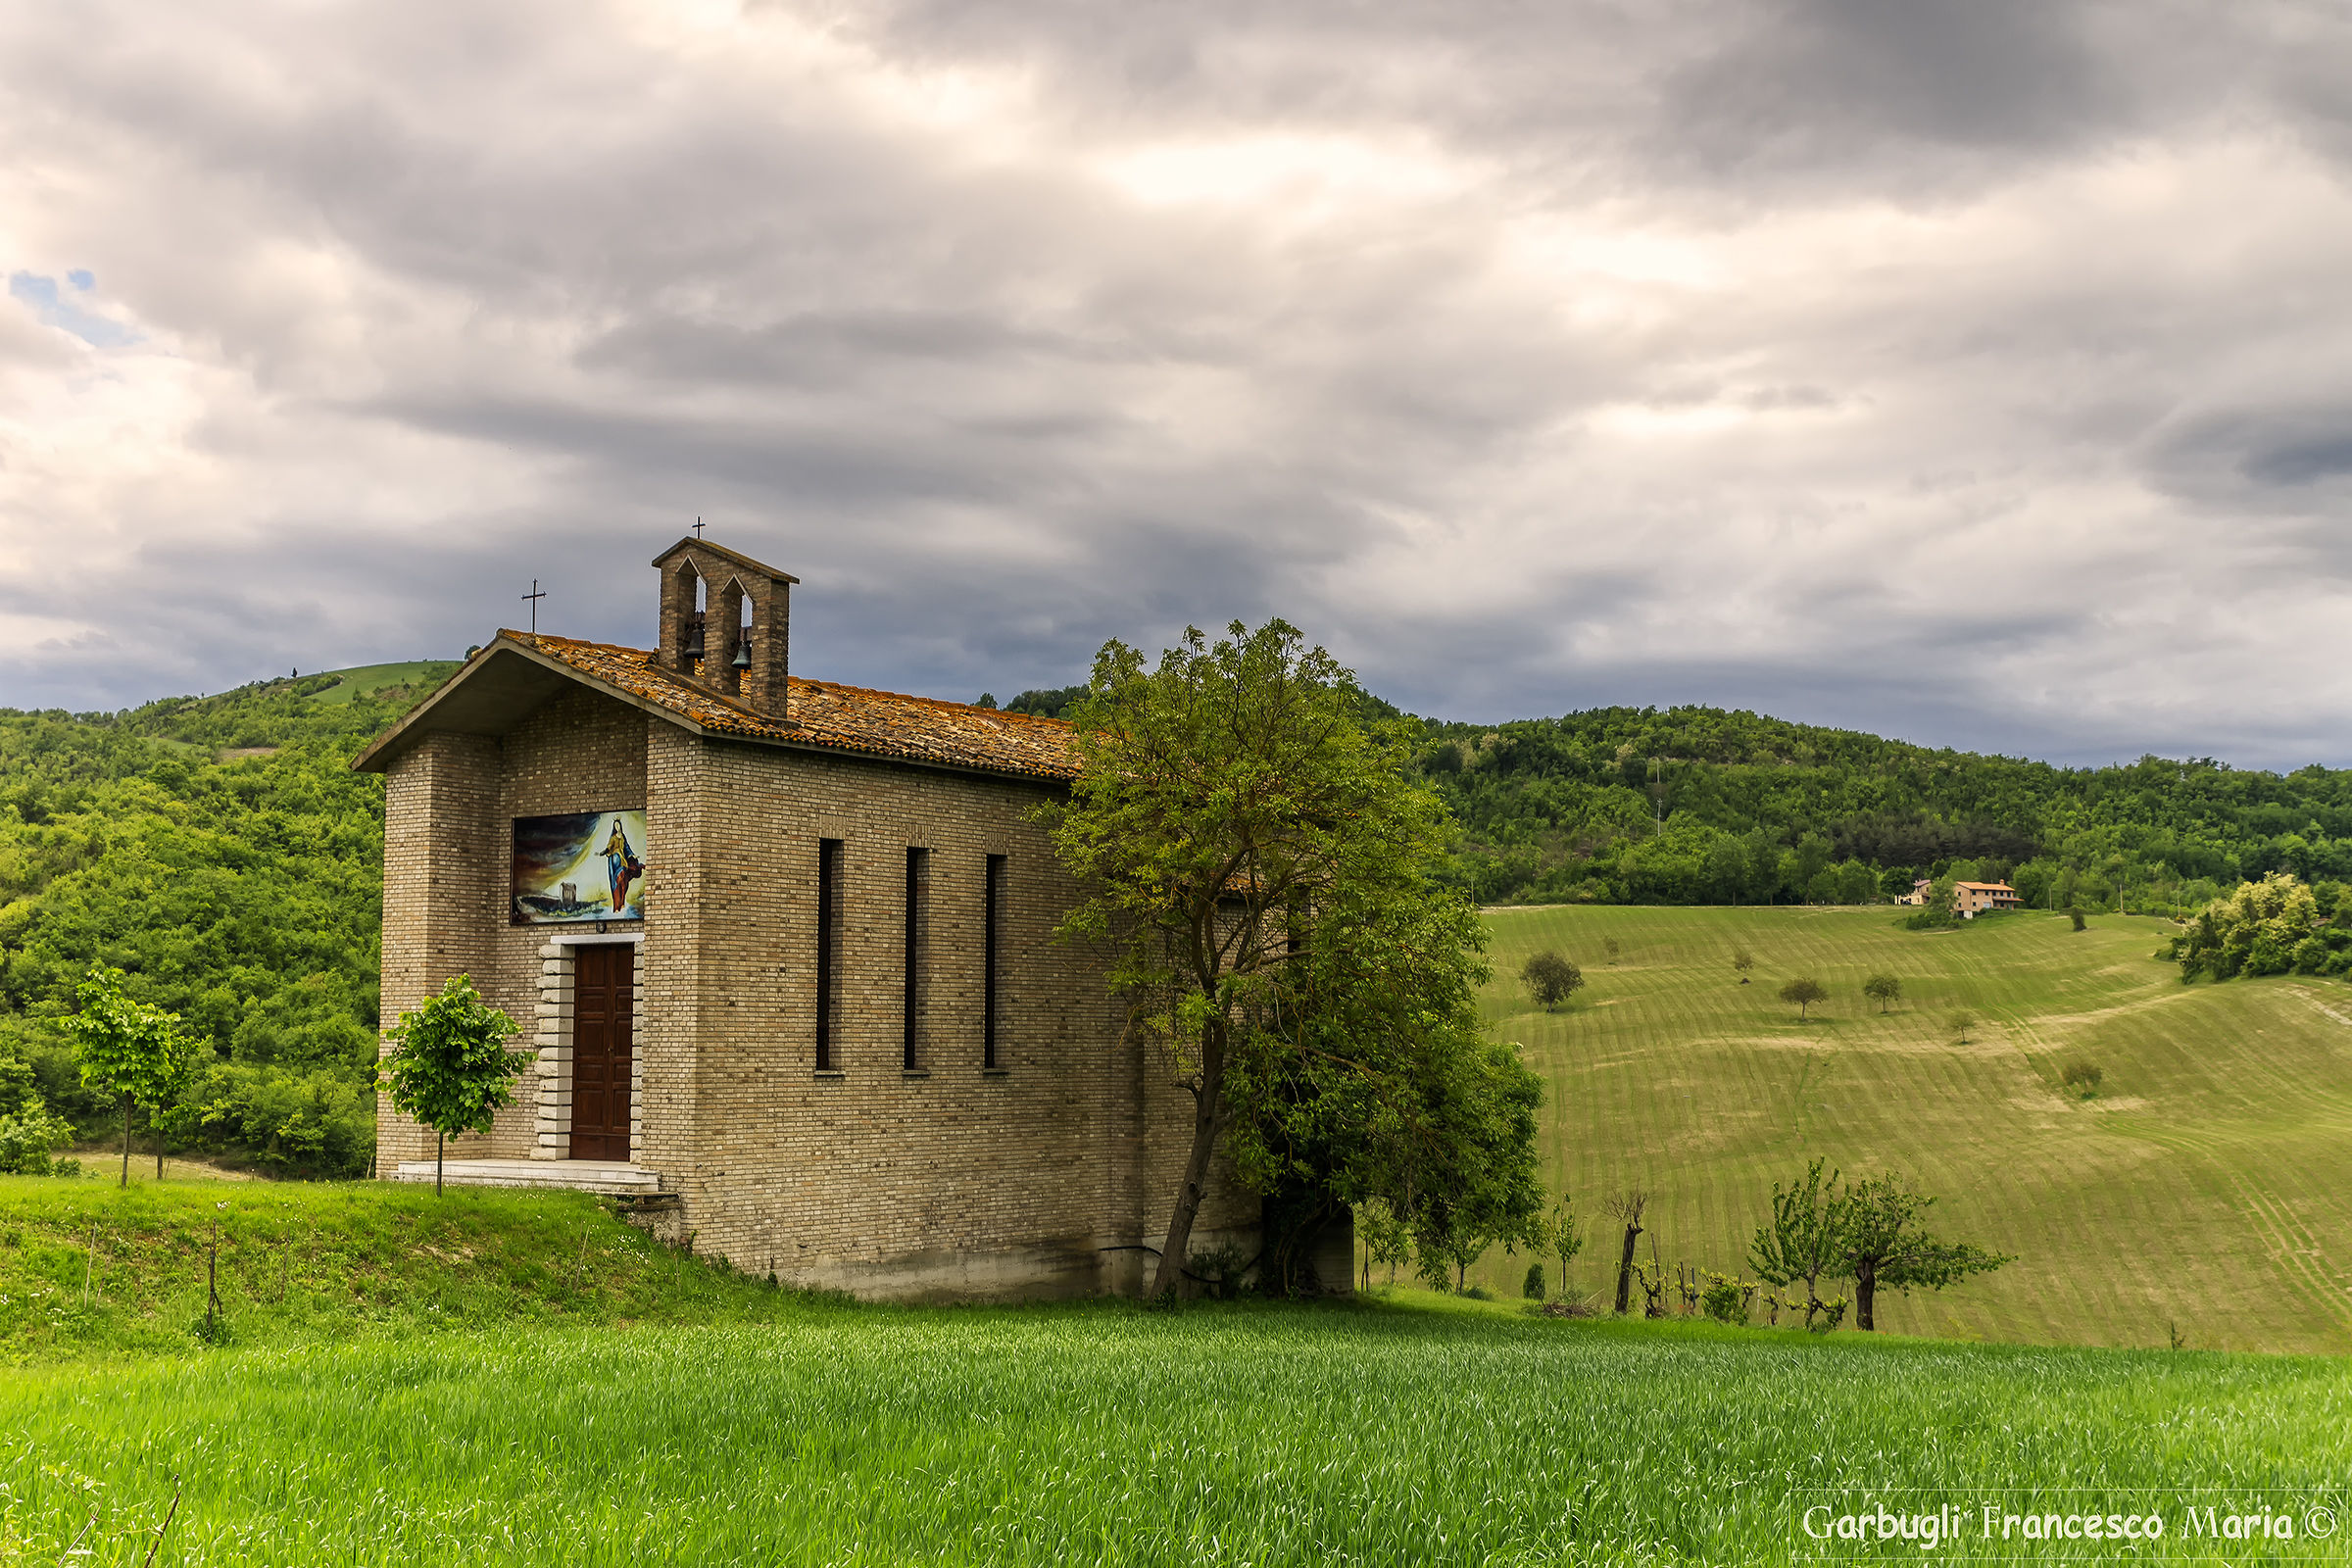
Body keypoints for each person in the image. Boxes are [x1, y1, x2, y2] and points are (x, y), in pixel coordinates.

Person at [604, 818, 643, 914]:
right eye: (616, 826)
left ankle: (622, 903)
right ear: (614, 827)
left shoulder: (623, 837)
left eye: (619, 825)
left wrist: (633, 855)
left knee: (624, 883)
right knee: (618, 881)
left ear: (621, 826)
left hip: (623, 861)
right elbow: (609, 847)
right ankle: (617, 905)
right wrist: (606, 851)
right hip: (616, 861)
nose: (618, 827)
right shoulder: (613, 837)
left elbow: (626, 847)